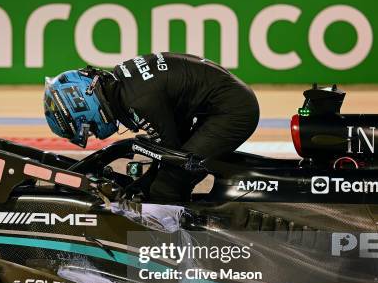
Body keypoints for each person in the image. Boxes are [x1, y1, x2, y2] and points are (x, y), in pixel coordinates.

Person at [43, 52, 259, 203]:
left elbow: (171, 151)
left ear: (85, 106)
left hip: (233, 112)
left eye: (85, 129)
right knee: (161, 179)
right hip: (221, 103)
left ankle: (172, 253)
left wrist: (147, 183)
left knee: (166, 187)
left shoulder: (138, 102)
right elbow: (171, 139)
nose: (93, 134)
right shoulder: (123, 84)